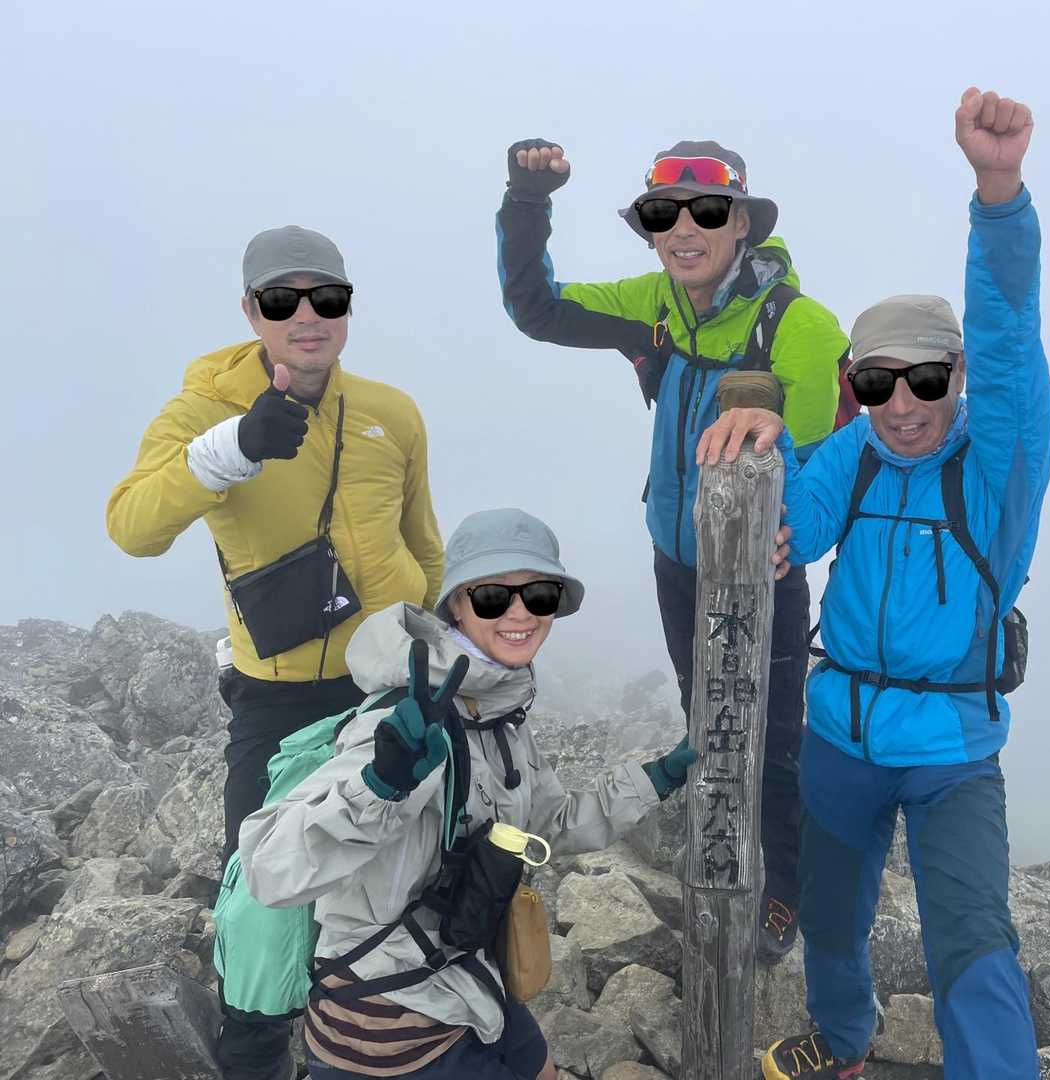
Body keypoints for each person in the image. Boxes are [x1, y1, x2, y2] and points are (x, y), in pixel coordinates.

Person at [699, 87, 1050, 1079]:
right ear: (856, 383)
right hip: (842, 735)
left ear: (958, 377)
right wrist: (766, 444)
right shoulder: (851, 455)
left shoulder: (997, 467)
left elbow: (1011, 335)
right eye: (878, 381)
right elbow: (792, 528)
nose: (902, 405)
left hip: (951, 751)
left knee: (971, 941)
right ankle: (846, 1041)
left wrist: (998, 195)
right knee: (831, 914)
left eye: (928, 379)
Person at [495, 135, 851, 959]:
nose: (684, 228)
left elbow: (819, 462)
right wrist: (527, 203)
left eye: (707, 211)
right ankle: (724, 860)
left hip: (762, 573)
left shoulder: (799, 325)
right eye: (663, 214)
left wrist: (783, 538)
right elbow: (536, 309)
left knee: (775, 735)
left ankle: (783, 889)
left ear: (742, 223)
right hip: (677, 561)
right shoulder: (654, 305)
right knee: (709, 716)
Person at [106, 225, 445, 1080]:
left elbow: (424, 546)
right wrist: (232, 451)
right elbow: (132, 527)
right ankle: (256, 1053)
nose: (307, 315)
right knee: (263, 890)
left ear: (347, 308)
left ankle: (396, 1039)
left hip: (392, 684)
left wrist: (437, 648)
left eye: (327, 297)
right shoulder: (203, 413)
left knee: (409, 866)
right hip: (283, 696)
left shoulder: (392, 412)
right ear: (251, 311)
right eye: (282, 299)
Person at [239, 509, 695, 1079]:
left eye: (540, 594)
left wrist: (655, 779)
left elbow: (549, 822)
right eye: (492, 597)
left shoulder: (498, 714)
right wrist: (379, 786)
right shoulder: (404, 720)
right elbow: (269, 869)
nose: (520, 613)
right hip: (387, 1024)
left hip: (467, 979)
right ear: (456, 604)